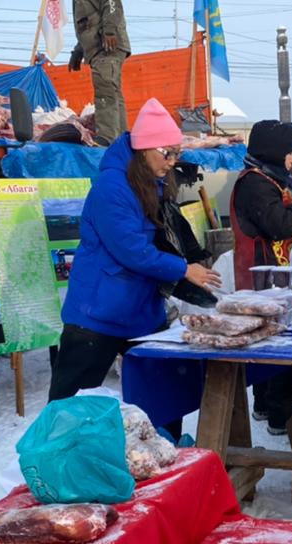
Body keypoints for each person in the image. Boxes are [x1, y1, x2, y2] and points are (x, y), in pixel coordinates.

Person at [51, 99, 221, 401]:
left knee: (163, 398)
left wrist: (191, 259)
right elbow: (132, 250)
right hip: (97, 315)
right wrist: (183, 270)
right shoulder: (111, 187)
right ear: (145, 149)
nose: (172, 162)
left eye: (177, 153)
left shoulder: (154, 180)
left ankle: (166, 447)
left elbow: (166, 235)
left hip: (142, 311)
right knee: (69, 410)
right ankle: (57, 450)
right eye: (167, 153)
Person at [232, 120, 292, 434]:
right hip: (261, 276)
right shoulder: (254, 184)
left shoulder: (268, 179)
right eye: (289, 152)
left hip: (274, 273)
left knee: (271, 341)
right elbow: (280, 224)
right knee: (274, 344)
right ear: (272, 151)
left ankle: (267, 404)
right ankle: (277, 415)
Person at [69, 0, 130, 145]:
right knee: (113, 93)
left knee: (106, 92)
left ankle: (107, 138)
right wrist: (78, 51)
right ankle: (120, 139)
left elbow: (112, 4)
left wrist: (109, 30)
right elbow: (86, 24)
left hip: (107, 45)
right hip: (100, 47)